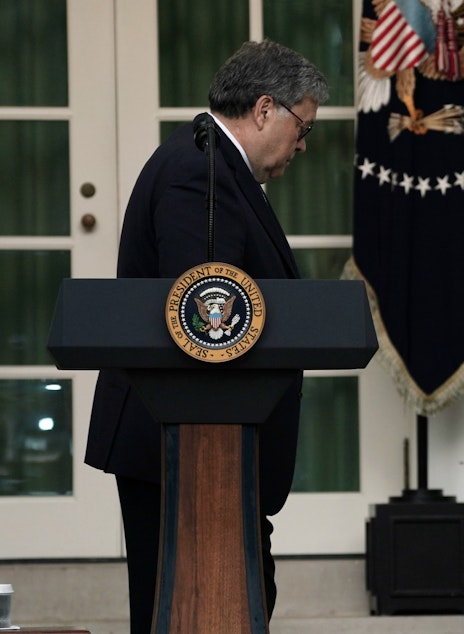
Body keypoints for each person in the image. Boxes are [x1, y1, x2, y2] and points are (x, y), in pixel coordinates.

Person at [84, 40, 329, 634]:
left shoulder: (209, 163)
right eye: (302, 126)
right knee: (189, 610)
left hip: (208, 448)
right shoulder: (202, 172)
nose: (303, 144)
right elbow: (204, 318)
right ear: (266, 109)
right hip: (189, 447)